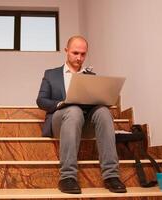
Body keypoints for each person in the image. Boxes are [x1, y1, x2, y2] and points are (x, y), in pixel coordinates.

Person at [36, 36, 127, 194]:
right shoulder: (51, 74)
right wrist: (61, 103)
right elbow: (41, 100)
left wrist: (104, 99)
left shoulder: (91, 76)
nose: (79, 58)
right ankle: (67, 177)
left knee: (103, 112)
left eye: (83, 54)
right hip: (61, 121)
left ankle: (111, 176)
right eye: (75, 53)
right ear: (66, 51)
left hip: (84, 122)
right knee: (73, 110)